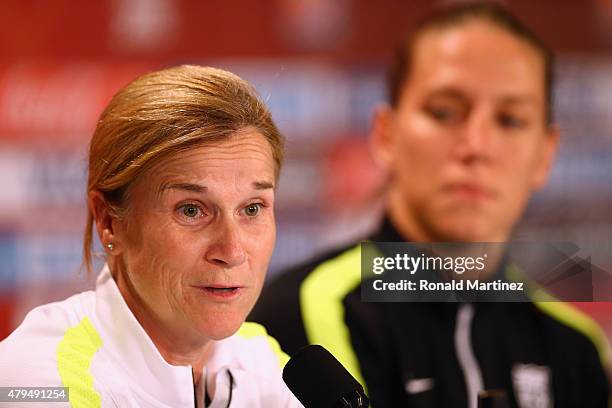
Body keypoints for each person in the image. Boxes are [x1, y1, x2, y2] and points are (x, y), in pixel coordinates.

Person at [249, 3, 611, 408]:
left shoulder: (577, 347)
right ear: (386, 135)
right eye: (444, 111)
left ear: (545, 154)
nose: (476, 145)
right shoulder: (295, 314)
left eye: (510, 119)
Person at [0, 65, 303, 407]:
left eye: (252, 209)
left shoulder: (263, 361)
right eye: (191, 210)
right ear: (109, 221)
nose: (231, 251)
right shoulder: (37, 379)